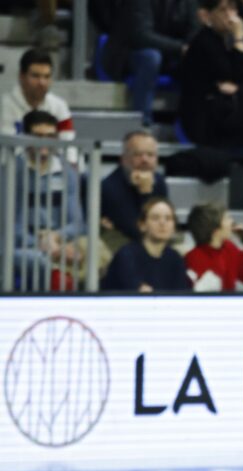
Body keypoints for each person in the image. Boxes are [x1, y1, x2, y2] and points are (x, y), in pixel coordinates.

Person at [179, 0, 243, 177]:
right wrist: (239, 37)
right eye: (223, 10)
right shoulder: (203, 41)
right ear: (207, 16)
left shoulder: (228, 40)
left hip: (229, 110)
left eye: (233, 9)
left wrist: (239, 87)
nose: (231, 15)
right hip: (204, 117)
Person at [13, 110, 85, 290]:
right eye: (38, 136)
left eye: (50, 136)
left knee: (93, 251)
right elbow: (12, 227)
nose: (44, 142)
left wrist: (56, 238)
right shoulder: (12, 172)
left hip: (58, 240)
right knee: (39, 261)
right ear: (25, 137)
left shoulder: (67, 172)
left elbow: (77, 222)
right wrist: (41, 244)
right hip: (23, 244)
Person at [102, 0, 200, 125]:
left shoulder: (188, 2)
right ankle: (142, 122)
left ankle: (192, 123)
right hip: (131, 52)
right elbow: (142, 36)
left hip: (171, 55)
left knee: (199, 56)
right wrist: (180, 48)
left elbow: (194, 31)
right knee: (151, 57)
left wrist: (189, 48)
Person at [102, 198, 191, 292]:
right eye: (155, 218)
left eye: (168, 218)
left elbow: (182, 294)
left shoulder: (175, 258)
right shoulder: (126, 255)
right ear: (142, 225)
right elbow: (138, 292)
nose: (162, 223)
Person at [100, 130, 169, 251]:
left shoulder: (159, 181)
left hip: (154, 240)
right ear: (123, 159)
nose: (145, 160)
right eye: (137, 154)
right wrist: (145, 194)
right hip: (122, 243)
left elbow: (165, 221)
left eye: (150, 155)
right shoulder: (109, 187)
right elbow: (136, 230)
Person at [184, 202, 243, 291]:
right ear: (215, 230)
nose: (232, 222)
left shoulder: (229, 249)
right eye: (227, 218)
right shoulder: (193, 258)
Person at [1, 49, 74, 142]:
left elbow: (69, 145)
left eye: (46, 76)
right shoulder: (3, 106)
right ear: (21, 76)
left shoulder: (60, 106)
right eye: (35, 76)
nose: (42, 83)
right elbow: (7, 145)